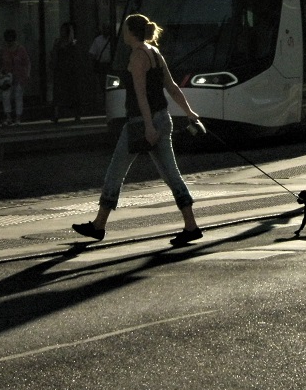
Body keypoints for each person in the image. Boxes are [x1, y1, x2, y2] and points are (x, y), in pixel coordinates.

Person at [72, 13, 206, 246]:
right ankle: (191, 225)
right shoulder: (155, 53)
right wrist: (189, 112)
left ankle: (99, 226)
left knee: (116, 172)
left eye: (124, 29)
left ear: (130, 32)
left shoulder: (137, 57)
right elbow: (172, 87)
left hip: (140, 122)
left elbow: (140, 95)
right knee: (171, 174)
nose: (122, 33)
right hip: (163, 118)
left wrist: (147, 126)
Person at [0, 29, 31, 126]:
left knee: (17, 96)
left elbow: (27, 62)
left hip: (19, 76)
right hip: (8, 76)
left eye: (10, 40)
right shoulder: (5, 50)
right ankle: (9, 117)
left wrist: (27, 74)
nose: (9, 43)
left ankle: (17, 117)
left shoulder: (20, 49)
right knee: (6, 96)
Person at [51, 22, 82, 122]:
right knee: (59, 93)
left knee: (72, 93)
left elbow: (76, 57)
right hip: (61, 70)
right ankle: (56, 114)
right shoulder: (58, 43)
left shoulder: (72, 44)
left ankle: (76, 114)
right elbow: (54, 55)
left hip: (70, 71)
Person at [88, 24, 112, 110]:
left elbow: (92, 53)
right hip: (102, 66)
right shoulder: (98, 40)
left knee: (109, 86)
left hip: (109, 65)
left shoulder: (112, 39)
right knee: (103, 86)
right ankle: (106, 104)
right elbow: (92, 54)